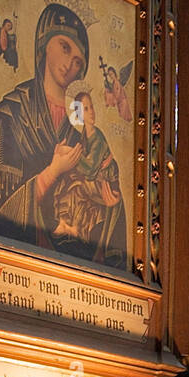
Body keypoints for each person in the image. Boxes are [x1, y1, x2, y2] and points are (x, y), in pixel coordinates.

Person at [0, 3, 91, 252]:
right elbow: (3, 206)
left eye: (78, 61)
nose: (69, 63)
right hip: (17, 256)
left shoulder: (79, 127)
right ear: (44, 42)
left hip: (71, 260)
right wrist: (53, 171)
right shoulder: (12, 110)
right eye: (64, 48)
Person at [51, 90, 128, 269]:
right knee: (66, 182)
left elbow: (91, 169)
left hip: (105, 184)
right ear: (78, 114)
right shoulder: (85, 135)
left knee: (78, 187)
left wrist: (69, 154)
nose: (91, 111)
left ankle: (75, 228)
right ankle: (64, 222)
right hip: (96, 180)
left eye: (91, 107)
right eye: (86, 108)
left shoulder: (97, 137)